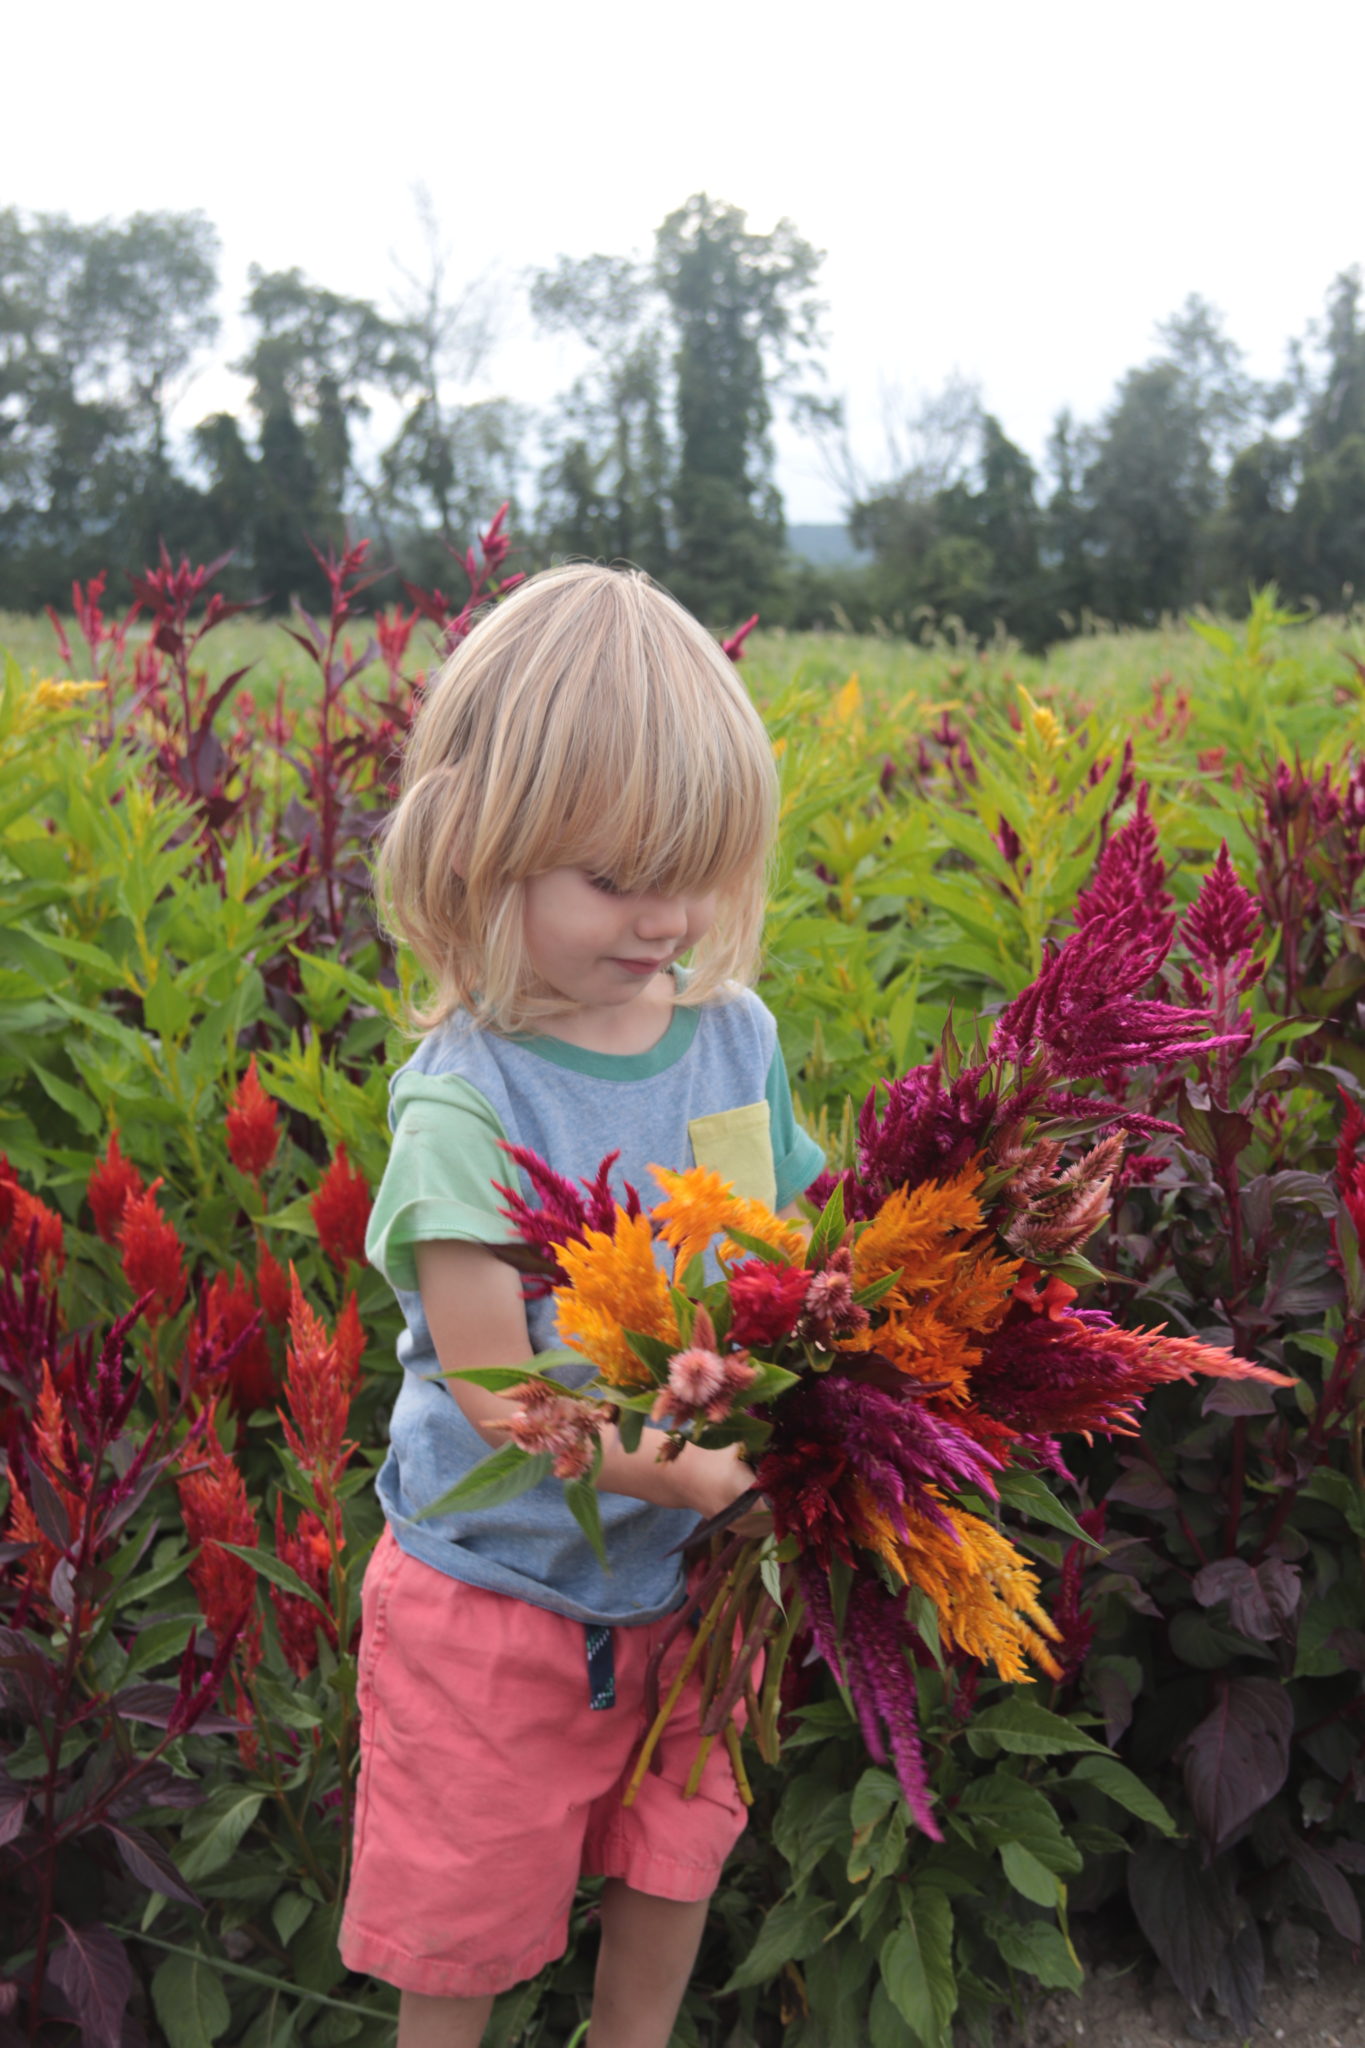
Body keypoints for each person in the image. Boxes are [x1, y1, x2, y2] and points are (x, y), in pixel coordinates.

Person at [337, 563, 824, 2048]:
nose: (665, 918)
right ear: (482, 849)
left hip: (700, 1580)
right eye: (617, 879)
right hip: (500, 1601)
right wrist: (705, 1470)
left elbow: (778, 1259)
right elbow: (505, 1405)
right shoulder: (465, 1107)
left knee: (673, 1865)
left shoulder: (731, 1039)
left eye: (694, 869)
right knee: (467, 1931)